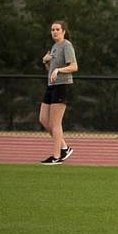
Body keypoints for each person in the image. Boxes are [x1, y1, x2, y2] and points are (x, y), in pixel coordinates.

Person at [39, 20, 78, 165]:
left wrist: (59, 70)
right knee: (43, 119)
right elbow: (51, 70)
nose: (54, 32)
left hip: (62, 85)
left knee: (56, 123)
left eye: (57, 29)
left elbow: (74, 66)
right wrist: (46, 62)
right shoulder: (54, 47)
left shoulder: (66, 45)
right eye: (52, 30)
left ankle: (56, 157)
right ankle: (64, 147)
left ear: (63, 31)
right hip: (51, 85)